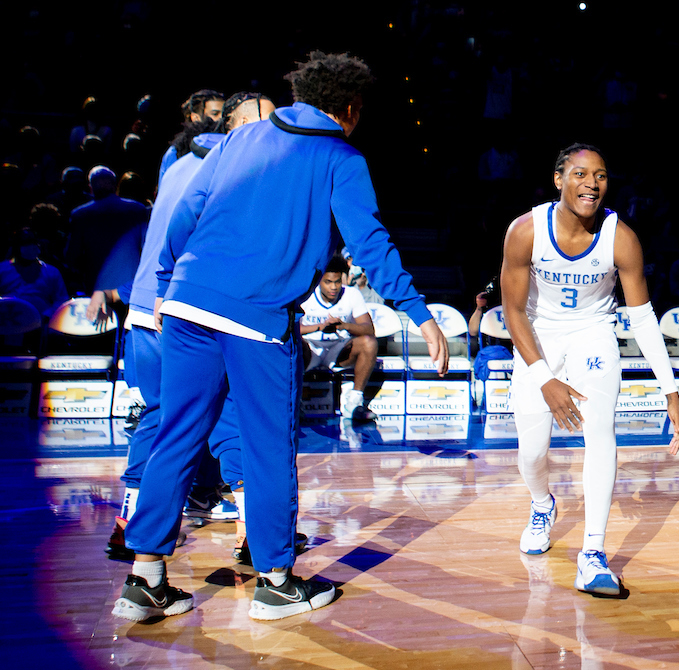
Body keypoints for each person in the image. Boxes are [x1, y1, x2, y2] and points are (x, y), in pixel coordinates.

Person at [113, 51, 447, 624]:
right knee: (268, 448)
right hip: (258, 317)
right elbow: (369, 243)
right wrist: (419, 312)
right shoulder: (341, 156)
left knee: (177, 435)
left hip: (188, 303)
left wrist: (168, 282)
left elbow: (186, 212)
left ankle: (146, 580)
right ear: (350, 108)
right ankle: (276, 582)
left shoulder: (240, 139)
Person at [500, 143, 679, 596]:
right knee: (532, 451)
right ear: (558, 179)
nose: (592, 184)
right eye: (581, 174)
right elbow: (513, 312)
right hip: (539, 335)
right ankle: (542, 504)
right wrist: (545, 378)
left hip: (594, 334)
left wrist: (671, 392)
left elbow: (642, 318)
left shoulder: (620, 237)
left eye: (600, 175)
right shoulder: (525, 231)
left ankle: (593, 554)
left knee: (600, 431)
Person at [103, 92, 280, 562]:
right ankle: (251, 531)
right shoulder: (235, 165)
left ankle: (131, 521)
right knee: (230, 416)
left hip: (146, 305)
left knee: (161, 416)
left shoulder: (178, 162)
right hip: (188, 307)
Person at [299, 257, 378, 420]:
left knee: (369, 343)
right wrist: (320, 327)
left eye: (337, 282)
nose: (334, 287)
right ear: (319, 281)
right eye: (328, 282)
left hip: (339, 349)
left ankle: (354, 403)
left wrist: (344, 325)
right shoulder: (306, 294)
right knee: (294, 343)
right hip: (311, 348)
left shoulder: (352, 294)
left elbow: (369, 329)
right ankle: (294, 402)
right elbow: (293, 329)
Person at [65, 165, 149, 296]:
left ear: (91, 188)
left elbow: (72, 256)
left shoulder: (80, 215)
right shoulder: (138, 210)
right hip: (132, 285)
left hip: (97, 286)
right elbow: (147, 248)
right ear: (115, 186)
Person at [158, 89, 224, 181]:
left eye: (224, 114)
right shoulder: (176, 151)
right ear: (195, 117)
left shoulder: (228, 144)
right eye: (215, 114)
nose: (221, 119)